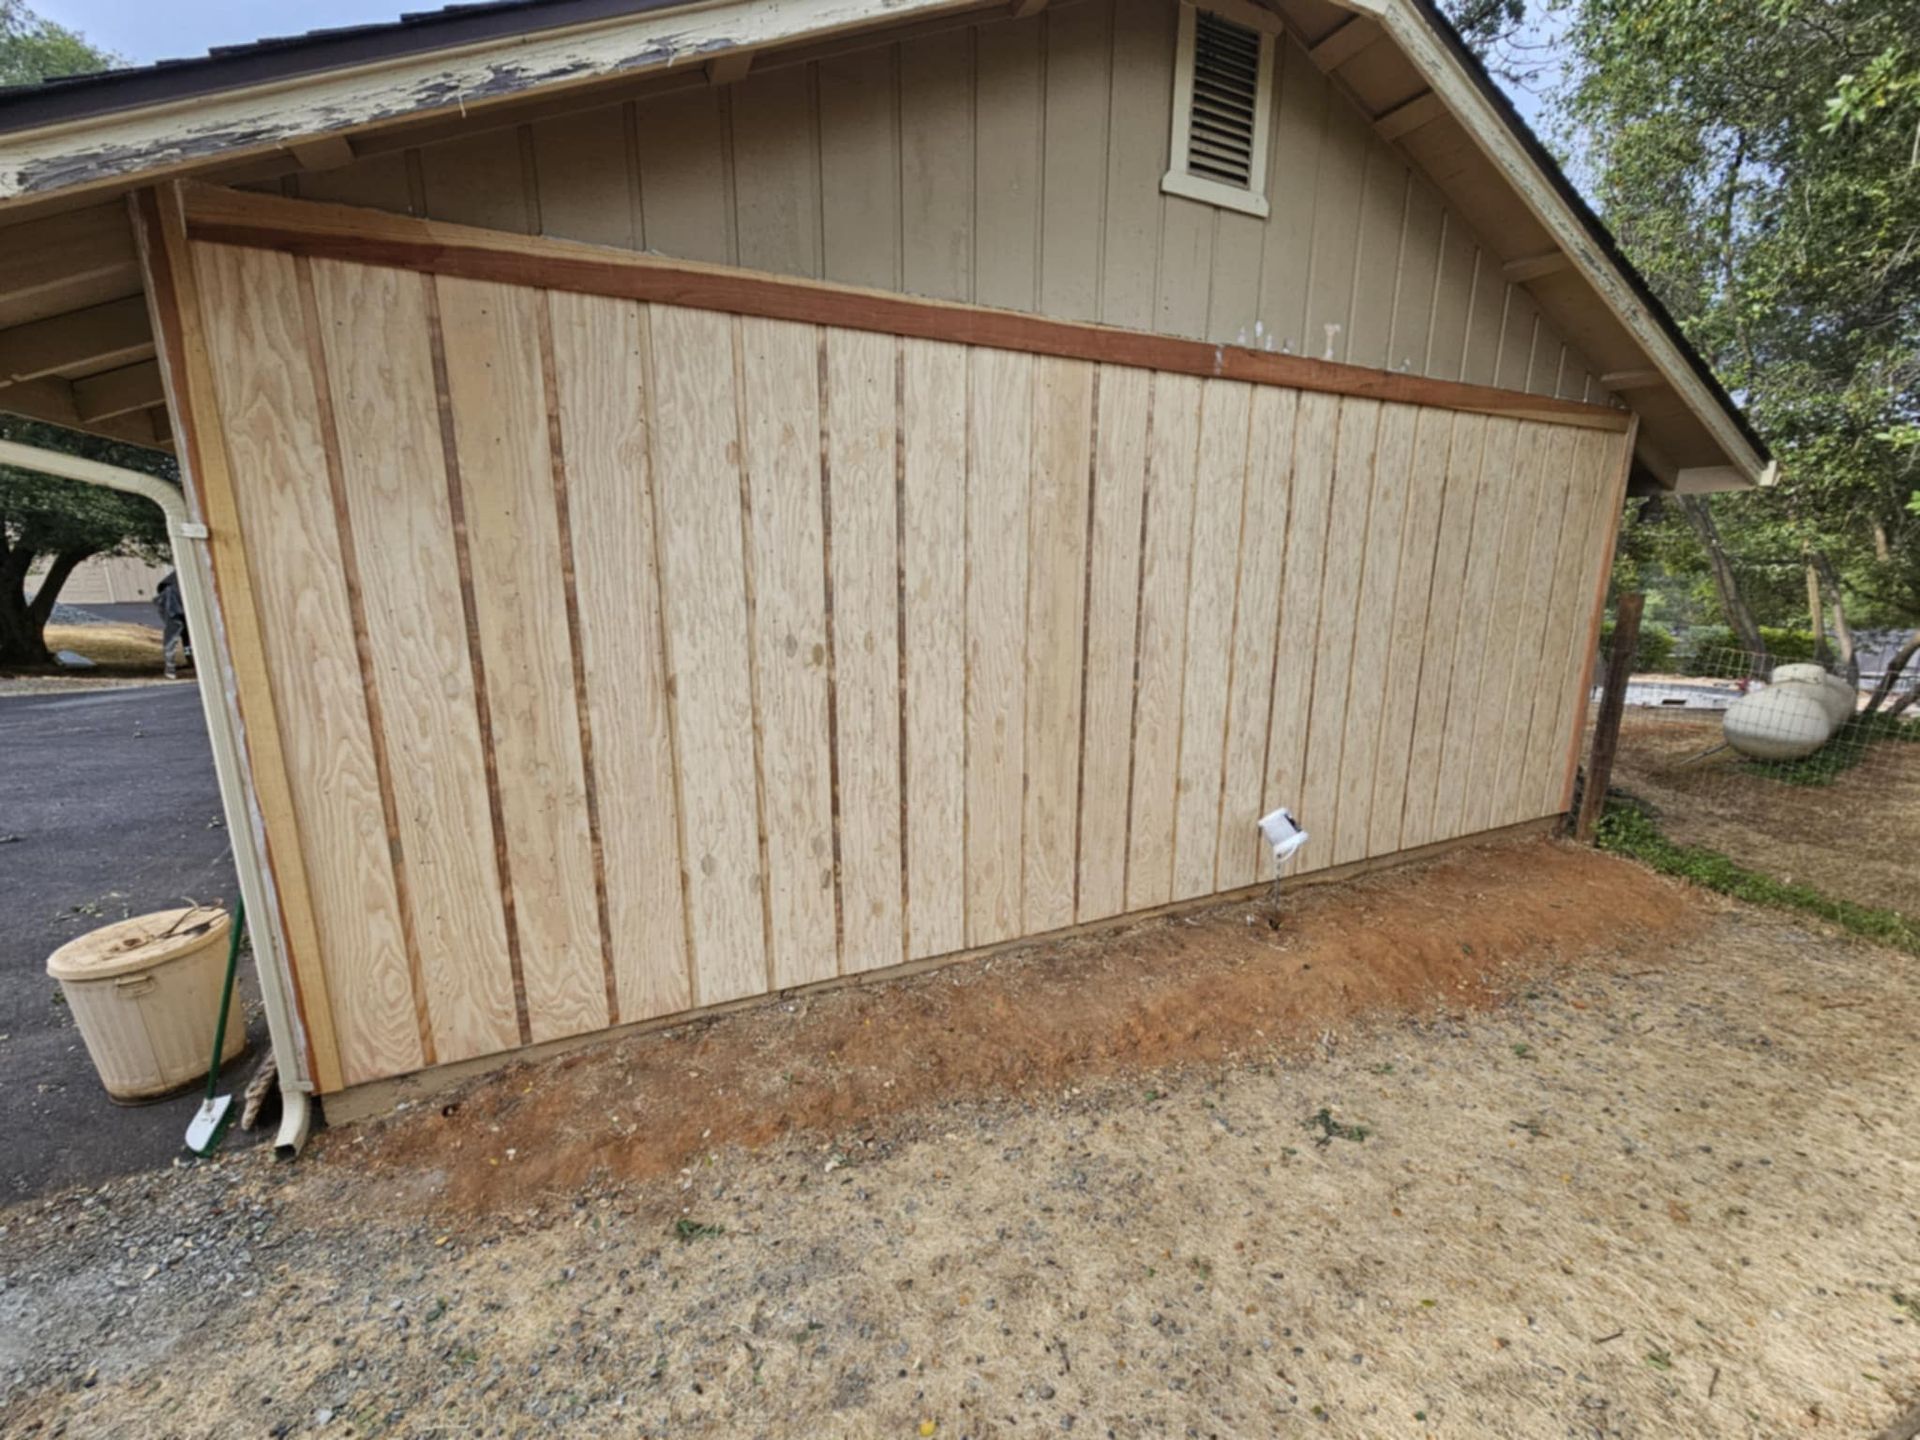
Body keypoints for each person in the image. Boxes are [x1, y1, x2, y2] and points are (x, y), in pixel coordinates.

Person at [154, 570, 189, 679]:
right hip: (173, 599)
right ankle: (170, 668)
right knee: (174, 632)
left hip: (175, 597)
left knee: (184, 632)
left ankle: (191, 661)